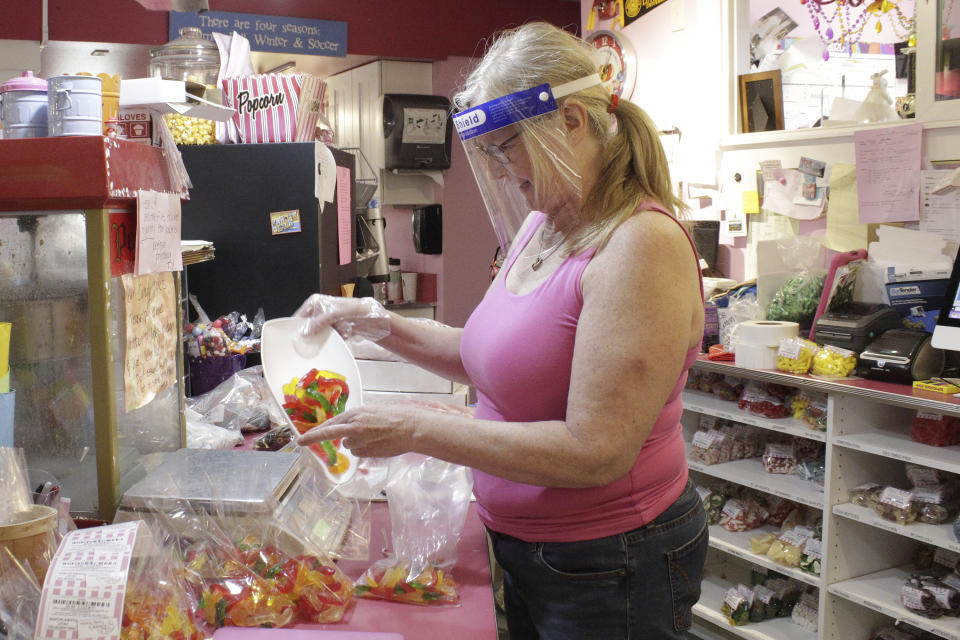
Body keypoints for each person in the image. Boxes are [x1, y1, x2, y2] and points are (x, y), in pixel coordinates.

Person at [296, 21, 707, 639]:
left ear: (571, 120)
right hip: (530, 548)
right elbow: (486, 354)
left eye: (505, 143)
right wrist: (376, 324)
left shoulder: (638, 246)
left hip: (610, 561)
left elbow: (596, 451)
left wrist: (417, 428)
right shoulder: (545, 223)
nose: (495, 164)